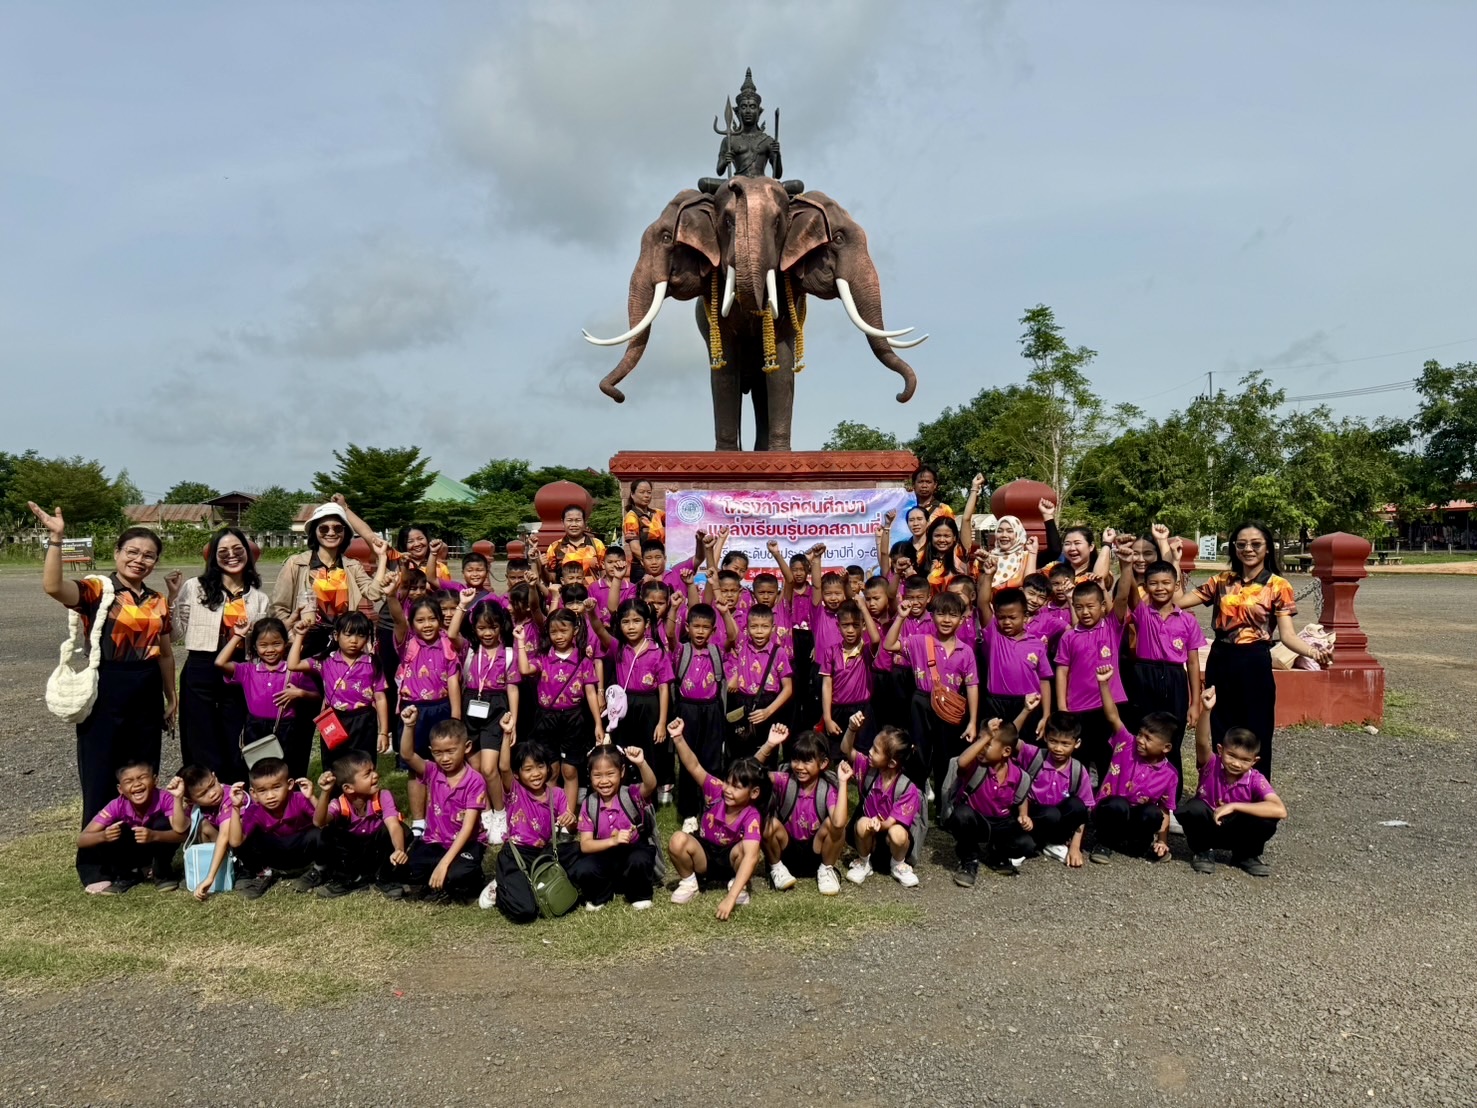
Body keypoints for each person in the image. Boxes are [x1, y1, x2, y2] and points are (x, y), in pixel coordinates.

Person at [30, 504, 179, 890]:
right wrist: (56, 539)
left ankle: (139, 862)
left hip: (146, 690)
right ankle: (96, 866)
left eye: (149, 555)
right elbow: (52, 587)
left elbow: (164, 651)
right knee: (101, 778)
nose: (140, 560)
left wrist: (171, 696)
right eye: (132, 552)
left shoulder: (157, 600)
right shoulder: (99, 588)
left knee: (143, 778)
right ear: (116, 553)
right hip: (107, 688)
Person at [1173, 521, 1330, 778]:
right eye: (1242, 544)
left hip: (1254, 661)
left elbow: (1288, 636)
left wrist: (1313, 652)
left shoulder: (1278, 585)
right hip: (1221, 659)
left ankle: (1255, 794)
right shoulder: (1221, 581)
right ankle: (1219, 791)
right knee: (1221, 727)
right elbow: (1179, 601)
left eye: (1256, 544)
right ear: (1234, 548)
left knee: (1256, 729)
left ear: (1267, 548)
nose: (1249, 549)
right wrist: (1175, 562)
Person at [172, 528, 272, 782]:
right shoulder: (195, 588)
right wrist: (172, 598)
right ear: (213, 557)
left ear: (248, 555)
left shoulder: (259, 598)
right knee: (200, 736)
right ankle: (205, 802)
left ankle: (236, 797)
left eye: (238, 550)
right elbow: (174, 633)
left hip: (239, 670)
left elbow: (265, 642)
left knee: (236, 735)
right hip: (201, 667)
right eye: (223, 551)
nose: (231, 556)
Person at [665, 719, 767, 920]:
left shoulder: (752, 815)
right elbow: (694, 766)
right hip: (706, 853)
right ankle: (690, 882)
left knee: (746, 851)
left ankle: (738, 884)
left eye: (737, 787)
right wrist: (678, 738)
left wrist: (731, 898)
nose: (728, 790)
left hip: (732, 858)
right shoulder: (716, 790)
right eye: (728, 783)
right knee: (677, 840)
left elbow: (752, 856)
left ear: (754, 793)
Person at [1181, 687, 1286, 876]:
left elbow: (1279, 810)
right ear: (1220, 750)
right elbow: (1202, 742)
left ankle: (1245, 855)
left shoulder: (1255, 779)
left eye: (1245, 760)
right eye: (1231, 756)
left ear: (1254, 761)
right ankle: (1203, 851)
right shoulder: (1211, 765)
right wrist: (1206, 710)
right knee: (1193, 808)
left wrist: (1235, 806)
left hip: (1237, 830)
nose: (1236, 764)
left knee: (1267, 819)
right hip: (1210, 826)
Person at [883, 590, 979, 796]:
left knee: (946, 753)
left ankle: (945, 800)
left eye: (953, 615)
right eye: (941, 614)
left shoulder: (966, 651)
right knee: (919, 750)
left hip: (950, 706)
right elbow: (889, 644)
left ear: (962, 620)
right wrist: (901, 617)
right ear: (932, 615)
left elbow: (972, 685)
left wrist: (972, 722)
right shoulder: (919, 641)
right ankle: (915, 797)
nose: (946, 620)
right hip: (921, 702)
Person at [1126, 559, 1207, 798]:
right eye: (1153, 583)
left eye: (1166, 582)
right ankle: (1136, 793)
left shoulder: (1187, 620)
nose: (1160, 588)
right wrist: (1125, 562)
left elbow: (1192, 663)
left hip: (1175, 679)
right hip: (1143, 676)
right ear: (1146, 586)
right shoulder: (1141, 612)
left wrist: (1194, 703)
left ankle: (1170, 801)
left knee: (1172, 741)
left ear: (1176, 584)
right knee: (1141, 737)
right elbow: (1129, 591)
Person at [488, 714, 576, 920]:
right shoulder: (515, 791)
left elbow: (569, 823)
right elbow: (503, 768)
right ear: (518, 774)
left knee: (578, 856)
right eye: (528, 769)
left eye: (540, 767)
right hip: (517, 853)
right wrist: (507, 733)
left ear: (548, 768)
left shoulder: (557, 794)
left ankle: (525, 884)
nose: (536, 773)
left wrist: (570, 820)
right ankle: (499, 891)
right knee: (526, 911)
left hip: (545, 852)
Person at [515, 610, 602, 815]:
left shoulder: (583, 660)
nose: (559, 636)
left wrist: (598, 723)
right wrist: (520, 641)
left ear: (576, 630)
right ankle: (551, 816)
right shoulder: (543, 658)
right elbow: (525, 669)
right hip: (546, 719)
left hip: (574, 719)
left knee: (569, 770)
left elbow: (590, 693)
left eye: (564, 630)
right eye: (554, 632)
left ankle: (568, 816)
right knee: (552, 770)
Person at [389, 592, 463, 833]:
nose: (427, 625)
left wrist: (456, 718)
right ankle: (420, 822)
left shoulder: (447, 644)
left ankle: (445, 816)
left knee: (445, 766)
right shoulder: (406, 643)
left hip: (441, 709)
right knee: (416, 769)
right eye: (420, 620)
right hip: (414, 713)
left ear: (441, 620)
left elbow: (453, 681)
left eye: (432, 619)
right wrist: (391, 596)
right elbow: (398, 618)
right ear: (412, 624)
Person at [1053, 566, 1136, 781]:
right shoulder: (1069, 637)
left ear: (1102, 606)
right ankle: (1081, 802)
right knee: (1080, 761)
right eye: (1079, 607)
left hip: (1109, 707)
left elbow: (1123, 596)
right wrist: (1062, 707)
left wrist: (1126, 565)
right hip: (1078, 708)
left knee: (1108, 759)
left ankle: (1107, 802)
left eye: (1091, 606)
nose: (1085, 612)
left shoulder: (1111, 628)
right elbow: (1062, 672)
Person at [397, 709, 488, 902]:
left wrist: (444, 864)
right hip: (435, 841)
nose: (444, 759)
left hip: (467, 842)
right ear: (431, 752)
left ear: (467, 747)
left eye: (450, 751)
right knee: (407, 870)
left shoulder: (475, 780)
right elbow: (407, 754)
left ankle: (469, 879)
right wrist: (409, 725)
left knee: (458, 875)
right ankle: (438, 877)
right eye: (438, 753)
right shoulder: (431, 770)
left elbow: (468, 827)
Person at [1088, 667, 1177, 864]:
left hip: (1136, 817)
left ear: (1166, 747)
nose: (1140, 740)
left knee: (1152, 813)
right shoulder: (1126, 743)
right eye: (1140, 734)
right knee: (1117, 805)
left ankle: (1140, 843)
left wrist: (1163, 841)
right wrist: (1103, 683)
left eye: (1148, 738)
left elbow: (1164, 810)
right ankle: (1104, 841)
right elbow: (1113, 716)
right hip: (1111, 811)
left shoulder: (1170, 774)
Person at [754, 723, 852, 895]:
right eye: (795, 759)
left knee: (833, 824)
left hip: (817, 852)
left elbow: (838, 823)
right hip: (786, 852)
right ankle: (776, 868)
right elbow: (750, 774)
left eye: (807, 761)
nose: (799, 766)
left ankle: (827, 870)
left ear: (823, 763)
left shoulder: (827, 789)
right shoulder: (785, 780)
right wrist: (769, 745)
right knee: (767, 821)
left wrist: (843, 782)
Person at [214, 617, 317, 776]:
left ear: (285, 642)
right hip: (255, 728)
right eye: (263, 645)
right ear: (254, 646)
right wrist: (239, 635)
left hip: (286, 728)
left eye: (276, 644)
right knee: (257, 771)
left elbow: (316, 697)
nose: (270, 650)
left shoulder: (293, 670)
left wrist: (299, 693)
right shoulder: (248, 670)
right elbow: (220, 663)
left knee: (286, 770)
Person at [287, 612, 390, 766]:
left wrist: (384, 732)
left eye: (361, 635)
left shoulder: (372, 663)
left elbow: (380, 698)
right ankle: (334, 791)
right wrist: (300, 636)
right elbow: (293, 664)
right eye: (348, 634)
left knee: (363, 764)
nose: (354, 641)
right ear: (336, 635)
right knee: (333, 765)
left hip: (364, 720)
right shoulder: (325, 661)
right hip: (333, 718)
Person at [943, 717, 1035, 886]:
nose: (981, 748)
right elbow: (961, 762)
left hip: (1001, 822)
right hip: (976, 821)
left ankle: (996, 853)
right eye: (980, 740)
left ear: (1006, 752)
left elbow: (1021, 798)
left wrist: (1024, 815)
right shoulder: (975, 766)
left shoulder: (1019, 775)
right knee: (961, 815)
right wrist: (986, 737)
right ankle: (969, 859)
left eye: (987, 744)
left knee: (1027, 845)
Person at [589, 599, 672, 777]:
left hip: (649, 705)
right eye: (626, 622)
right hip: (623, 704)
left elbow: (664, 689)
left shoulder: (658, 652)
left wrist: (662, 722)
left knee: (649, 750)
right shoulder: (617, 647)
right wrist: (591, 612)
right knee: (622, 748)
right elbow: (599, 630)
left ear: (647, 623)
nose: (631, 627)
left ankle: (648, 796)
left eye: (636, 621)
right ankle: (624, 792)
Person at [570, 745, 660, 910]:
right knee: (584, 868)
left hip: (634, 850)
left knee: (638, 859)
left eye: (610, 774)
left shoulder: (631, 794)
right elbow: (586, 844)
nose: (604, 781)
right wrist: (613, 840)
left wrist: (641, 763)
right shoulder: (589, 803)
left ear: (622, 771)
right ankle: (603, 893)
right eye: (597, 775)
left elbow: (650, 785)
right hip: (606, 854)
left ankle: (639, 894)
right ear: (589, 775)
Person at [447, 595, 520, 801]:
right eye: (481, 628)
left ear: (500, 627)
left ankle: (499, 813)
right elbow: (452, 633)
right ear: (474, 628)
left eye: (493, 627)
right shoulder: (469, 650)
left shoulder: (508, 654)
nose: (487, 633)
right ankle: (484, 811)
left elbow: (513, 689)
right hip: (471, 704)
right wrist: (462, 604)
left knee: (489, 769)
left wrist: (513, 720)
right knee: (476, 767)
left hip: (496, 707)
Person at [76, 760, 186, 894]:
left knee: (162, 824)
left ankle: (162, 873)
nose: (136, 784)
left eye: (142, 778)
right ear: (120, 789)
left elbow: (183, 833)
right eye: (128, 781)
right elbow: (81, 840)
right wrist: (103, 836)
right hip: (132, 849)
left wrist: (154, 835)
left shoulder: (166, 798)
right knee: (114, 829)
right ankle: (127, 874)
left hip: (157, 844)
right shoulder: (116, 805)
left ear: (155, 780)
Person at [312, 749, 410, 898]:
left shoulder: (383, 796)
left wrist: (399, 849)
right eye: (367, 774)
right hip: (352, 855)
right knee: (328, 833)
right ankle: (349, 880)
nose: (375, 775)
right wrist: (325, 792)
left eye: (373, 770)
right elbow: (319, 821)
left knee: (403, 830)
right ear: (348, 788)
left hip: (377, 852)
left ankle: (384, 877)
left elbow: (393, 825)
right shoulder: (339, 803)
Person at [1009, 698, 1094, 866]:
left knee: (1077, 806)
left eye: (1065, 743)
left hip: (1057, 824)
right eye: (1053, 741)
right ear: (1046, 737)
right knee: (1046, 818)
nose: (1058, 748)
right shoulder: (1034, 755)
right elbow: (1009, 739)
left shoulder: (1078, 770)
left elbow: (1082, 814)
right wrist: (1026, 710)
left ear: (1076, 744)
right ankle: (1039, 843)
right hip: (1030, 817)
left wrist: (1076, 847)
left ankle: (1053, 843)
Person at [842, 720, 923, 888]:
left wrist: (879, 824)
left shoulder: (907, 788)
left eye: (876, 750)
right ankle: (864, 862)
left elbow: (892, 822)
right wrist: (852, 729)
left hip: (889, 839)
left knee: (898, 833)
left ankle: (898, 864)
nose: (870, 752)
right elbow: (846, 750)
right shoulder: (868, 770)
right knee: (862, 823)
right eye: (872, 747)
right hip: (867, 837)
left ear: (892, 762)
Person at [226, 758, 320, 899]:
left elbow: (324, 822)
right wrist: (235, 807)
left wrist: (312, 797)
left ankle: (318, 871)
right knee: (245, 835)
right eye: (262, 791)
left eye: (276, 787)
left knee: (322, 832)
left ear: (289, 784)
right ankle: (263, 873)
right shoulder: (254, 810)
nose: (270, 796)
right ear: (253, 793)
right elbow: (235, 842)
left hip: (303, 852)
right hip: (275, 856)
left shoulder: (299, 799)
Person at [672, 604, 727, 834]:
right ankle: (689, 812)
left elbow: (733, 637)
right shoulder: (681, 651)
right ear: (688, 627)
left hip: (712, 710)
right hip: (687, 711)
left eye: (706, 627)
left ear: (713, 630)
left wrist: (725, 613)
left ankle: (712, 806)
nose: (701, 631)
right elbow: (668, 636)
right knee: (687, 763)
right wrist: (674, 610)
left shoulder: (716, 651)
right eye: (696, 626)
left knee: (712, 761)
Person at [976, 577, 1053, 733]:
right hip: (996, 703)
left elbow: (1044, 681)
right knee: (996, 748)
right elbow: (982, 604)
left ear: (1025, 616)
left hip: (1029, 704)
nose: (1007, 622)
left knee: (1025, 750)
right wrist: (989, 575)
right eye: (1002, 618)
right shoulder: (995, 636)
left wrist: (1045, 715)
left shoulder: (1037, 644)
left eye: (1012, 617)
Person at [722, 602, 793, 760]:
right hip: (741, 703)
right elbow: (732, 633)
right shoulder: (742, 645)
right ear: (747, 628)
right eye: (754, 627)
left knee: (766, 754)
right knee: (738, 751)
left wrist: (768, 711)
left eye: (764, 627)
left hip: (768, 705)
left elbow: (788, 688)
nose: (759, 632)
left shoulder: (778, 652)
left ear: (773, 628)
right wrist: (725, 612)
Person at [818, 600, 876, 763]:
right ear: (838, 626)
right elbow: (827, 685)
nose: (850, 630)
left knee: (862, 753)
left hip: (862, 709)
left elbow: (876, 638)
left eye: (855, 625)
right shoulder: (831, 652)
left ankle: (862, 781)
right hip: (837, 709)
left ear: (863, 626)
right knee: (837, 754)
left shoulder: (866, 650)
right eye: (845, 625)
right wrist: (828, 718)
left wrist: (864, 607)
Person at [168, 765, 237, 901]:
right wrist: (177, 798)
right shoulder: (196, 806)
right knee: (200, 824)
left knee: (204, 825)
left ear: (215, 776)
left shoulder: (230, 796)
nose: (212, 793)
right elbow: (180, 828)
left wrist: (209, 878)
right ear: (191, 801)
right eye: (203, 794)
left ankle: (223, 871)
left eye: (212, 785)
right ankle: (215, 869)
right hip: (223, 846)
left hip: (243, 847)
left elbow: (224, 837)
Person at [543, 505, 606, 584]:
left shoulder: (597, 545)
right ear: (563, 523)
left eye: (578, 520)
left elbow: (604, 572)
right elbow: (552, 578)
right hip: (565, 594)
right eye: (569, 520)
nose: (574, 524)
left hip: (591, 594)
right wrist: (541, 567)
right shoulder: (554, 547)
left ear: (584, 522)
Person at [622, 479, 666, 577]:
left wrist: (675, 495)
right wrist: (652, 563)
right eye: (642, 492)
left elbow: (675, 519)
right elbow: (635, 548)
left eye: (649, 492)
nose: (646, 495)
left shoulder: (657, 513)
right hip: (642, 568)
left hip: (659, 565)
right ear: (632, 495)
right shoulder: (631, 517)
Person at [919, 517, 972, 596]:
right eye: (937, 536)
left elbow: (966, 519)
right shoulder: (922, 560)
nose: (942, 540)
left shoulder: (960, 556)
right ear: (930, 536)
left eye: (946, 536)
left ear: (954, 537)